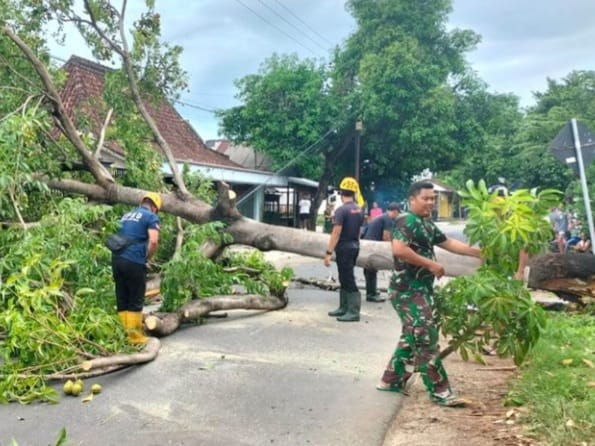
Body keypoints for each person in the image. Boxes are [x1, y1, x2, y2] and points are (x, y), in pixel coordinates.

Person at [376, 181, 482, 407]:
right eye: (426, 198)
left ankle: (391, 380)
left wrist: (478, 252)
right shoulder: (406, 220)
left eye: (433, 198)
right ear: (412, 200)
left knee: (412, 334)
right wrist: (430, 264)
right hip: (406, 290)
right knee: (425, 335)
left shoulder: (426, 223)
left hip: (421, 289)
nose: (431, 203)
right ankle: (440, 391)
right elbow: (399, 249)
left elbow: (448, 242)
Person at [112, 192, 161, 344]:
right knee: (135, 299)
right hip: (134, 261)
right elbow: (153, 241)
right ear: (154, 207)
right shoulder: (151, 217)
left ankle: (123, 336)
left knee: (123, 298)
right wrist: (148, 257)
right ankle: (135, 338)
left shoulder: (126, 215)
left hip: (117, 260)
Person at [324, 176, 365, 322]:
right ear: (354, 193)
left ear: (341, 193)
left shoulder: (341, 210)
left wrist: (328, 252)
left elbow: (336, 233)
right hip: (354, 246)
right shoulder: (359, 209)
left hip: (344, 248)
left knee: (347, 278)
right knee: (344, 276)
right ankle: (343, 307)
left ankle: (353, 311)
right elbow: (359, 231)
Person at [363, 202, 401, 302]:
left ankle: (372, 291)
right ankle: (371, 295)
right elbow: (386, 237)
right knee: (371, 270)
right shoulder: (388, 219)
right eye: (398, 214)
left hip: (367, 243)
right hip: (373, 245)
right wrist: (391, 250)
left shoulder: (382, 217)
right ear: (395, 212)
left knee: (369, 270)